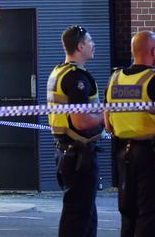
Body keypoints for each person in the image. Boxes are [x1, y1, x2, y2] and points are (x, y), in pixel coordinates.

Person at [105, 31, 155, 237]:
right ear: (153, 51)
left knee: (129, 217)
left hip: (123, 156)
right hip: (152, 158)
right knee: (150, 217)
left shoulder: (115, 79)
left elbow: (108, 126)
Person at [46, 25, 104, 237]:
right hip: (79, 155)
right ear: (80, 46)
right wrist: (107, 116)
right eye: (90, 42)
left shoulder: (58, 71)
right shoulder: (76, 78)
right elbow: (80, 122)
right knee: (78, 219)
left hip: (67, 153)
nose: (93, 45)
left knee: (84, 215)